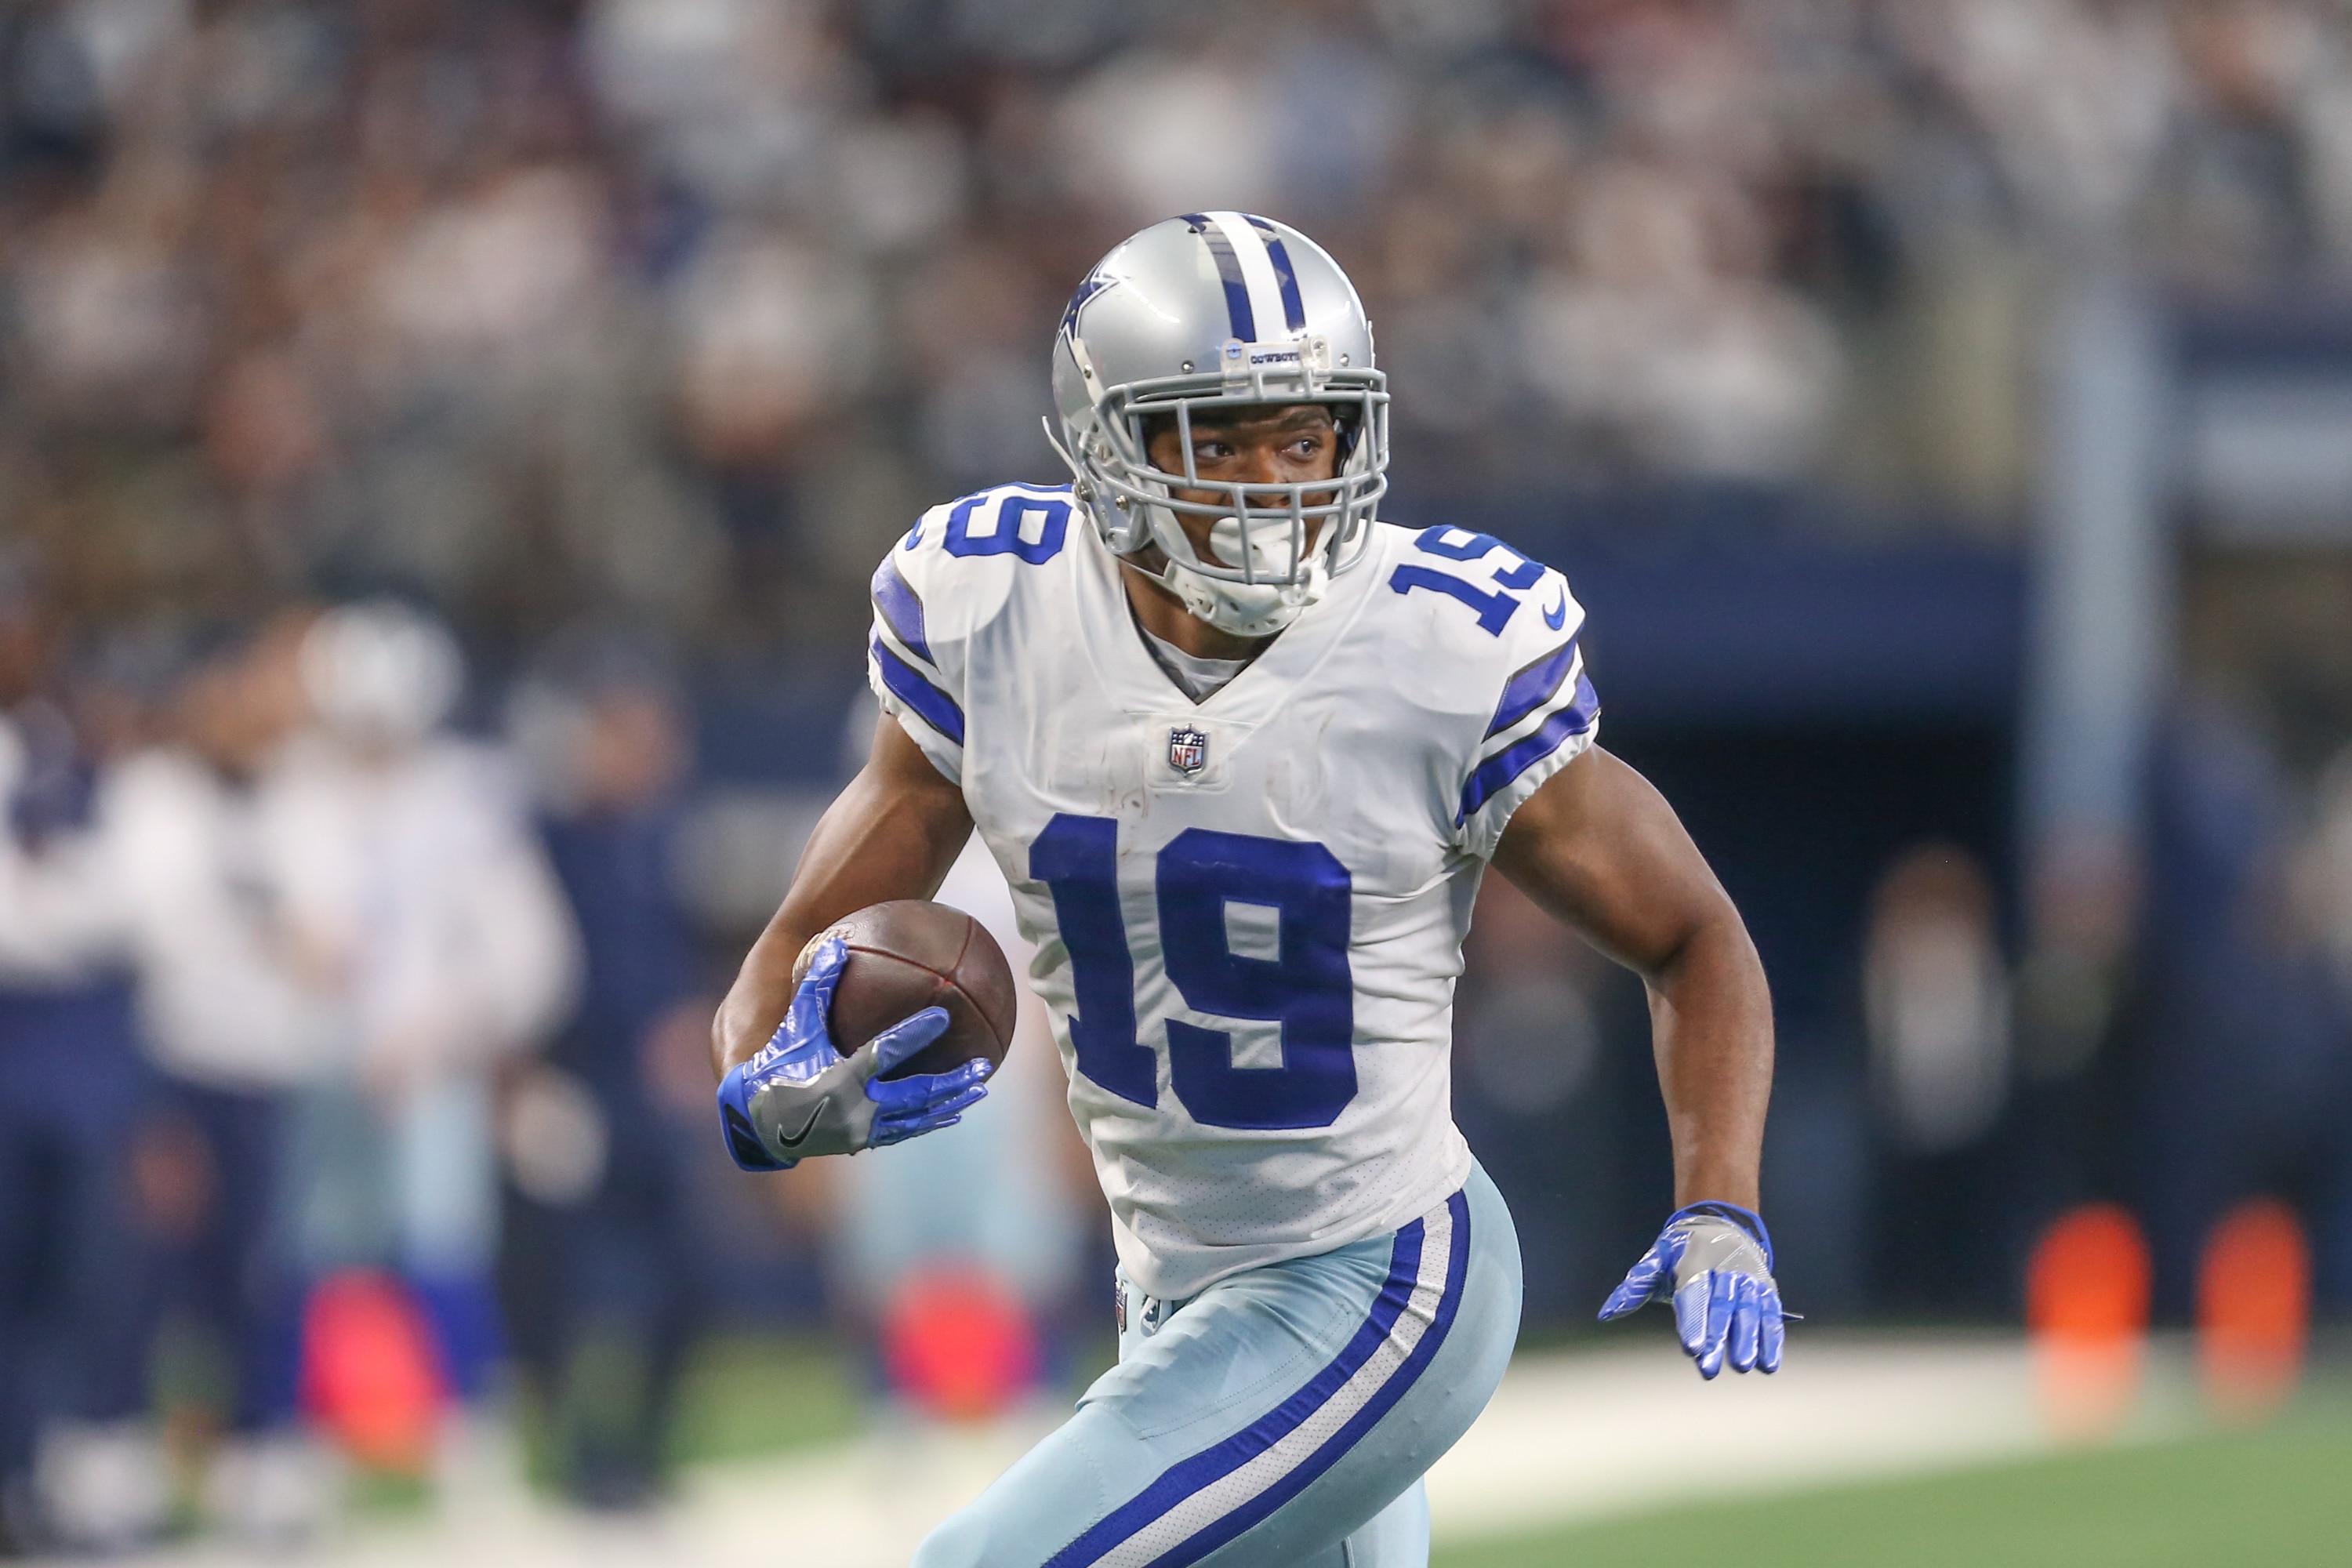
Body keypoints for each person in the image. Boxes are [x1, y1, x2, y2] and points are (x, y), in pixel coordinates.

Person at [710, 214, 1783, 1568]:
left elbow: (1693, 932)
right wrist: (770, 1087)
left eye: (1304, 437)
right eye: (1216, 440)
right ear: (1107, 448)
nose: (1272, 483)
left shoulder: (1436, 646)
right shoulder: (995, 611)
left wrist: (1721, 1200)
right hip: (1173, 1288)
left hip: (1380, 1278)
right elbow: (801, 941)